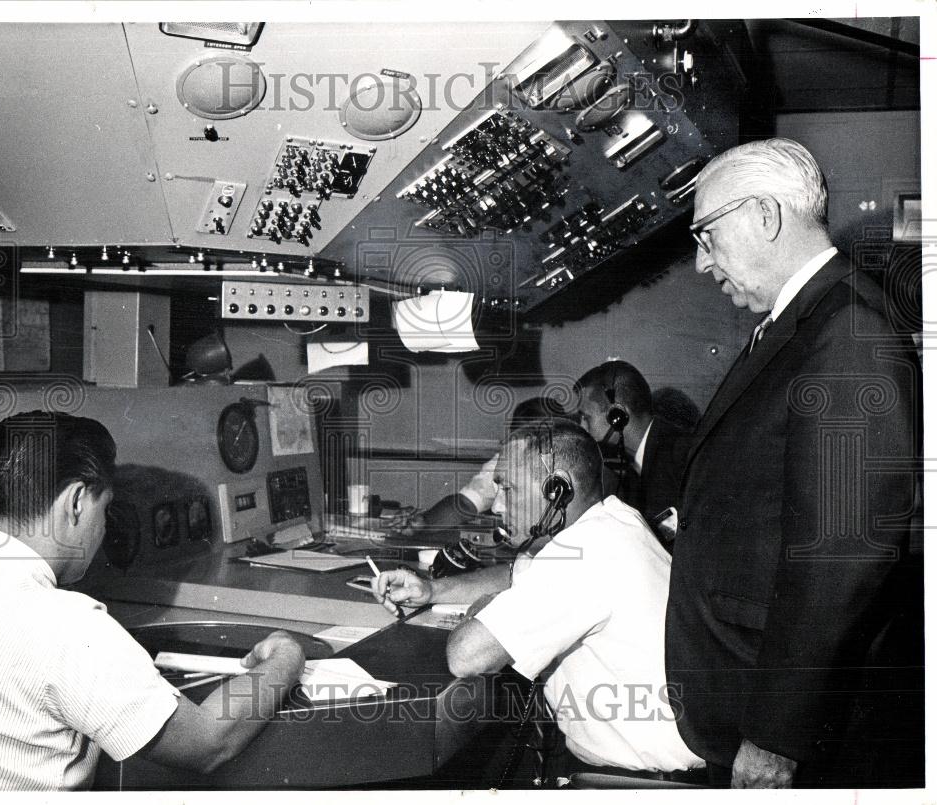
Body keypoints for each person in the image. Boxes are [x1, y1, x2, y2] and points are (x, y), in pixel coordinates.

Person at [667, 137, 922, 788]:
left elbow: (841, 554)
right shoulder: (800, 325)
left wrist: (777, 735)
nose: (701, 263)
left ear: (764, 215)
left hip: (779, 728)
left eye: (706, 234)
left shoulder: (846, 335)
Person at [0, 411, 306, 791]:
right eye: (105, 508)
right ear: (76, 502)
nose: (105, 527)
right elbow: (209, 742)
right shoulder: (70, 627)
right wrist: (286, 659)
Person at [373, 420, 705, 778]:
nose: (496, 506)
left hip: (634, 784)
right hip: (651, 767)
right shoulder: (615, 520)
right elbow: (519, 574)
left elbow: (466, 656)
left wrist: (483, 608)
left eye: (508, 488)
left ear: (557, 489)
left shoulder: (586, 550)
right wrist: (433, 590)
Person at [394, 396, 573, 533]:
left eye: (534, 439)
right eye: (517, 439)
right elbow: (465, 502)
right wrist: (424, 522)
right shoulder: (505, 461)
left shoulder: (576, 465)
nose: (524, 449)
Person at [573, 361, 691, 536]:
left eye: (585, 416)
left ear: (617, 415)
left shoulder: (682, 456)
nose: (581, 426)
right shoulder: (633, 469)